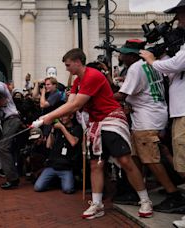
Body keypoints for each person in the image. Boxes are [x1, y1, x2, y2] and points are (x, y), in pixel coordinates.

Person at [32, 48, 153, 219]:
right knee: (96, 164)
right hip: (95, 123)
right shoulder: (77, 81)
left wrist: (48, 117)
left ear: (77, 62)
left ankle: (145, 199)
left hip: (112, 118)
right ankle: (97, 204)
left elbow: (74, 106)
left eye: (68, 65)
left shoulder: (92, 75)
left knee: (125, 160)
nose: (66, 68)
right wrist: (47, 117)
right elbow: (71, 102)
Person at [115, 39, 185, 213]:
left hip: (147, 119)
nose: (121, 56)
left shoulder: (135, 67)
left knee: (151, 160)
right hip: (155, 114)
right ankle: (139, 192)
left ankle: (173, 194)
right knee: (137, 157)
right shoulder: (149, 64)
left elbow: (122, 95)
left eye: (123, 53)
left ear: (131, 56)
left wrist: (98, 94)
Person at [34, 114, 82, 194]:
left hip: (66, 167)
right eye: (60, 117)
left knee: (68, 189)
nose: (61, 118)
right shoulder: (57, 129)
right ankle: (57, 181)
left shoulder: (77, 128)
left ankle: (64, 180)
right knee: (38, 187)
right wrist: (52, 130)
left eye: (64, 116)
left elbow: (73, 142)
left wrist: (62, 128)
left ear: (71, 116)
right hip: (52, 165)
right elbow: (48, 145)